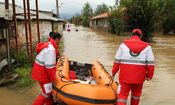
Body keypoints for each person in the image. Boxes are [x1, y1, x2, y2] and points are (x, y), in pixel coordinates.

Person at [112, 29, 155, 105]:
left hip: (124, 77)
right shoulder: (147, 48)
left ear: (131, 35)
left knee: (122, 95)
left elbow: (116, 61)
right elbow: (151, 64)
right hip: (139, 79)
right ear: (140, 36)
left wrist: (113, 73)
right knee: (136, 95)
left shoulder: (123, 45)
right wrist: (149, 76)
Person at [31, 32, 62, 105]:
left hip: (40, 71)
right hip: (42, 73)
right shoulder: (51, 50)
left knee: (48, 89)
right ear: (57, 39)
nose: (60, 42)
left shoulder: (49, 45)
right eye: (60, 40)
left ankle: (50, 103)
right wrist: (53, 79)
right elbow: (50, 68)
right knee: (46, 92)